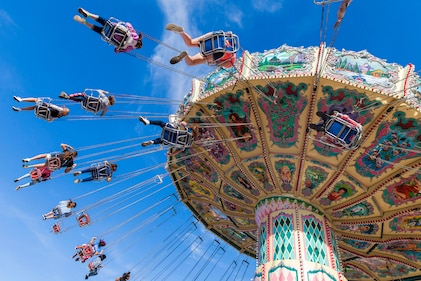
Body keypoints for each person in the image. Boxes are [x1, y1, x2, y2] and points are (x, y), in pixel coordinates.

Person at [165, 23, 238, 68]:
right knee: (192, 62)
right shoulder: (231, 60)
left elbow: (229, 32)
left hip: (215, 36)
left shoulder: (231, 43)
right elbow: (222, 63)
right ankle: (186, 56)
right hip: (218, 52)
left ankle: (181, 32)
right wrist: (216, 63)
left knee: (190, 42)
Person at [74, 7, 143, 53]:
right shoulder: (130, 48)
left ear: (139, 40)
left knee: (102, 20)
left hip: (113, 27)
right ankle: (85, 23)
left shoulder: (135, 36)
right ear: (136, 47)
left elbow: (128, 24)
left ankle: (89, 14)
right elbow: (116, 51)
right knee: (96, 29)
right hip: (107, 35)